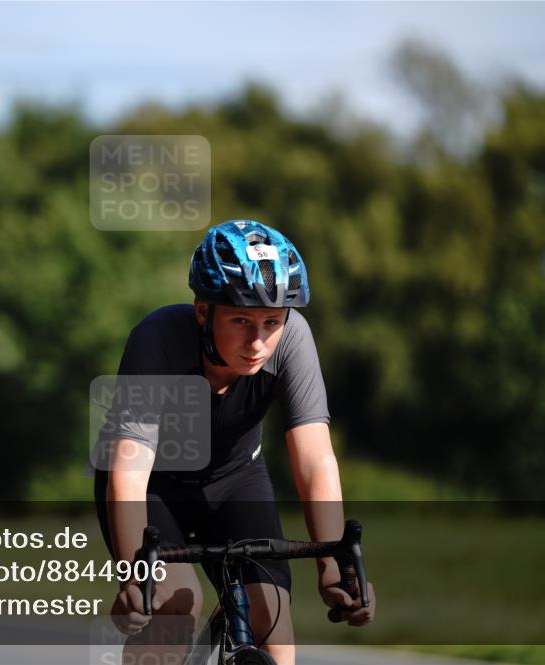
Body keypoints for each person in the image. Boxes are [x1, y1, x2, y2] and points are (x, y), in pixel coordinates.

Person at [93, 220, 376, 665]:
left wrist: (333, 565)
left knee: (273, 626)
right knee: (174, 607)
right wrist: (135, 579)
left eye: (271, 322)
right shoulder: (158, 340)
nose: (258, 341)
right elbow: (128, 473)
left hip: (235, 478)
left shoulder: (293, 340)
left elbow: (316, 462)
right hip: (152, 488)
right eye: (241, 319)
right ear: (203, 310)